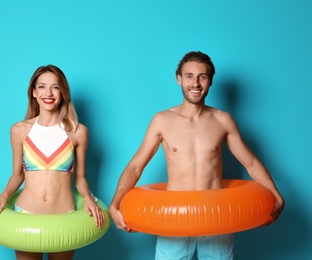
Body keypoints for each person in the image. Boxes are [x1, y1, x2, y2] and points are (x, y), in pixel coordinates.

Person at [108, 51, 285, 260]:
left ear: (210, 81)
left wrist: (275, 194)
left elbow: (251, 162)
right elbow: (136, 166)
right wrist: (115, 202)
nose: (196, 83)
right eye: (189, 76)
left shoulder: (222, 120)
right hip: (175, 218)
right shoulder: (162, 120)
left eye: (202, 76)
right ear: (179, 79)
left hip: (216, 218)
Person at [0, 65, 105, 260]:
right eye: (42, 87)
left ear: (63, 92)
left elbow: (80, 179)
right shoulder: (19, 130)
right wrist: (3, 197)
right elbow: (17, 175)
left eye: (55, 87)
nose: (48, 93)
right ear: (33, 92)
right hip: (26, 216)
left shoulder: (78, 132)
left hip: (64, 217)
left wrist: (89, 199)